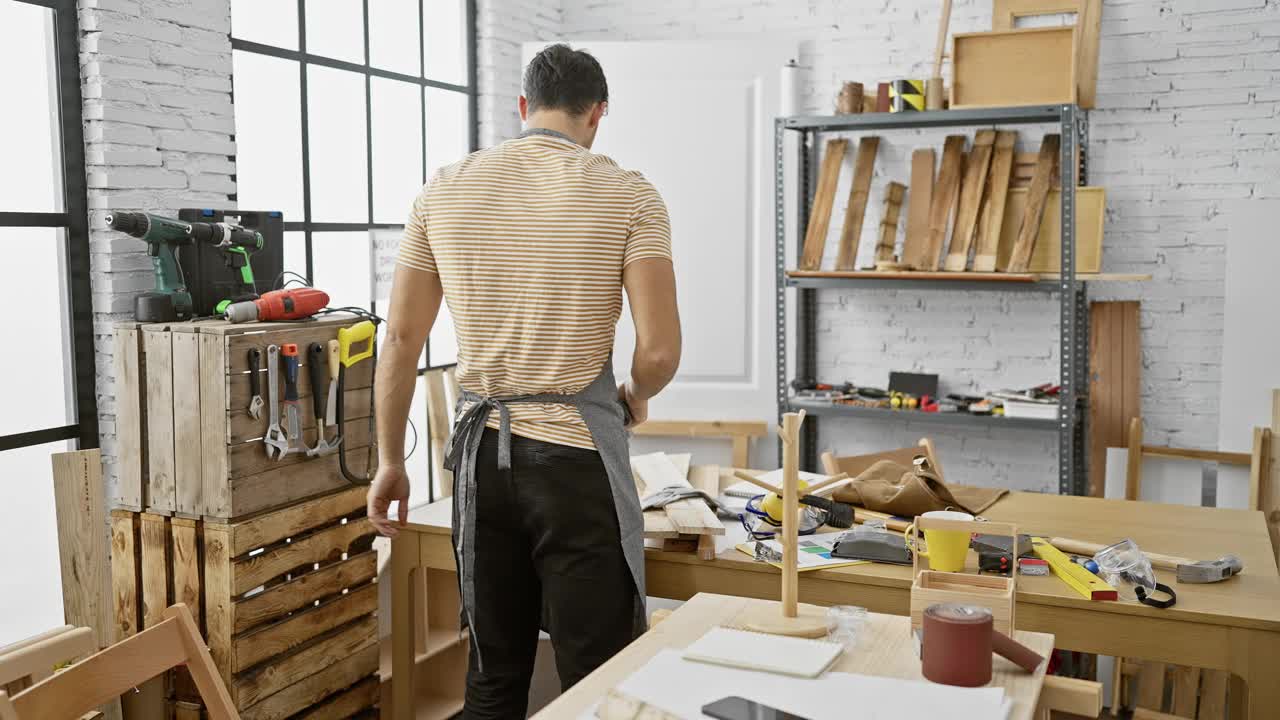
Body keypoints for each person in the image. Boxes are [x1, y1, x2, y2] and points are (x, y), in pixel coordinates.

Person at [368, 43, 681, 719]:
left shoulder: (442, 189)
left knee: (492, 674)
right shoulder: (629, 194)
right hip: (576, 462)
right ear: (597, 114)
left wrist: (391, 462)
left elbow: (398, 340)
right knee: (601, 679)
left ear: (523, 107)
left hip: (479, 464)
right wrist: (633, 395)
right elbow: (658, 351)